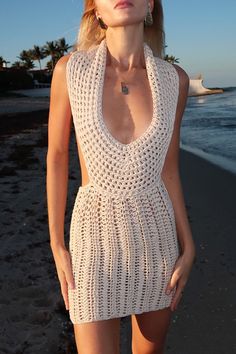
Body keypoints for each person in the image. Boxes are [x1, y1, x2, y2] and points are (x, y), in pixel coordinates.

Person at [46, 0, 196, 353]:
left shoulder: (175, 79)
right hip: (92, 243)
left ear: (149, 5)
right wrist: (57, 244)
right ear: (95, 10)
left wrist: (188, 246)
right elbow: (55, 156)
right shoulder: (71, 71)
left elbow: (170, 169)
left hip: (157, 242)